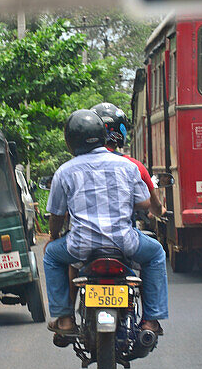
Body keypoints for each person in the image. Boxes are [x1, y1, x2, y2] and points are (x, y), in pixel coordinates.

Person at [43, 110, 169, 338]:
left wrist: (53, 236)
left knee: (51, 255)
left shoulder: (64, 171)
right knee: (157, 253)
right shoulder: (128, 166)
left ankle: (64, 319)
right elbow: (144, 203)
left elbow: (57, 216)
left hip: (80, 246)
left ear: (71, 141)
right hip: (125, 244)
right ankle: (151, 321)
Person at [91, 102, 165, 220]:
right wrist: (161, 211)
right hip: (124, 235)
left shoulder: (73, 166)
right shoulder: (134, 166)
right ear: (121, 131)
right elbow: (151, 204)